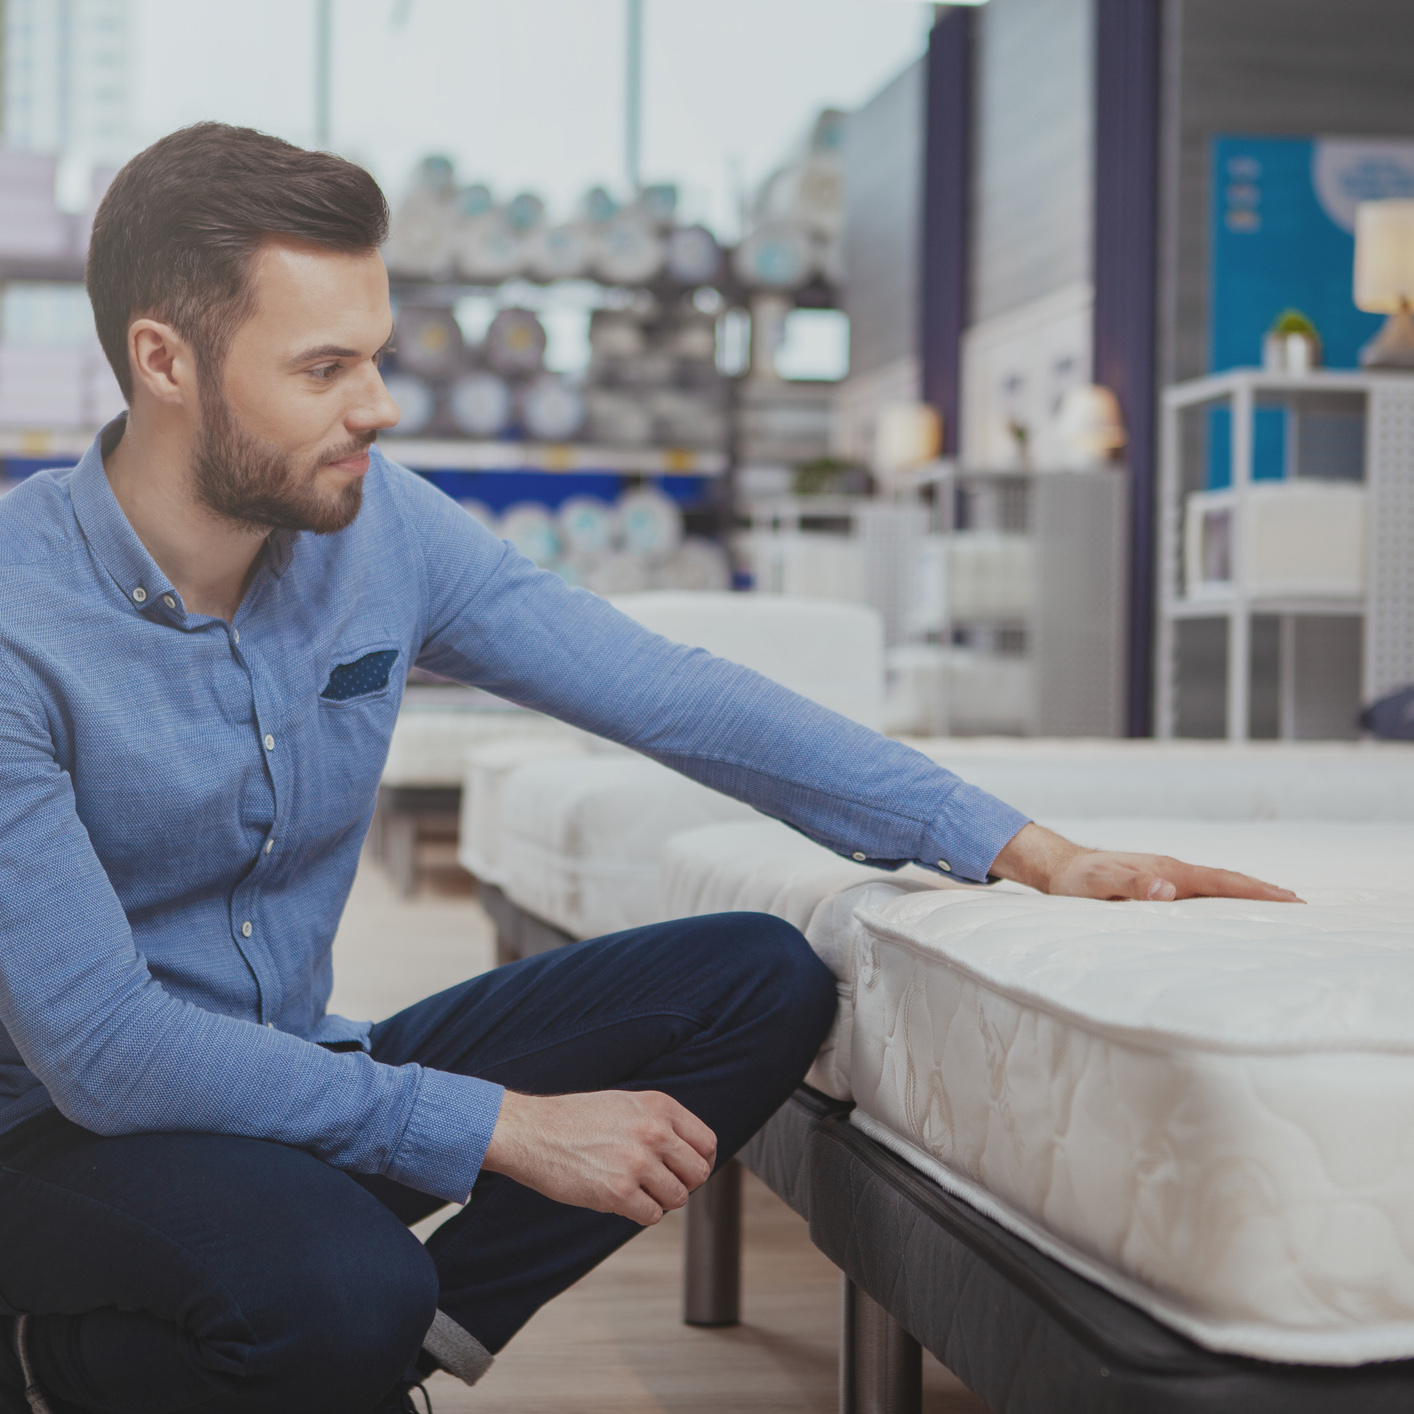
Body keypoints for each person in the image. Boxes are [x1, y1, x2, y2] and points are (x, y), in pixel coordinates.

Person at [0, 124, 1296, 1414]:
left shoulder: (379, 525)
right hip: (63, 1135)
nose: (379, 406)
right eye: (326, 366)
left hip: (292, 1079)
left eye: (378, 356)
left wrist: (1025, 846)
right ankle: (60, 1360)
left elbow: (665, 690)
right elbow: (110, 1052)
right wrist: (504, 1125)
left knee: (754, 980)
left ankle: (392, 1343)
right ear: (162, 361)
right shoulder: (16, 618)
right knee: (338, 1283)